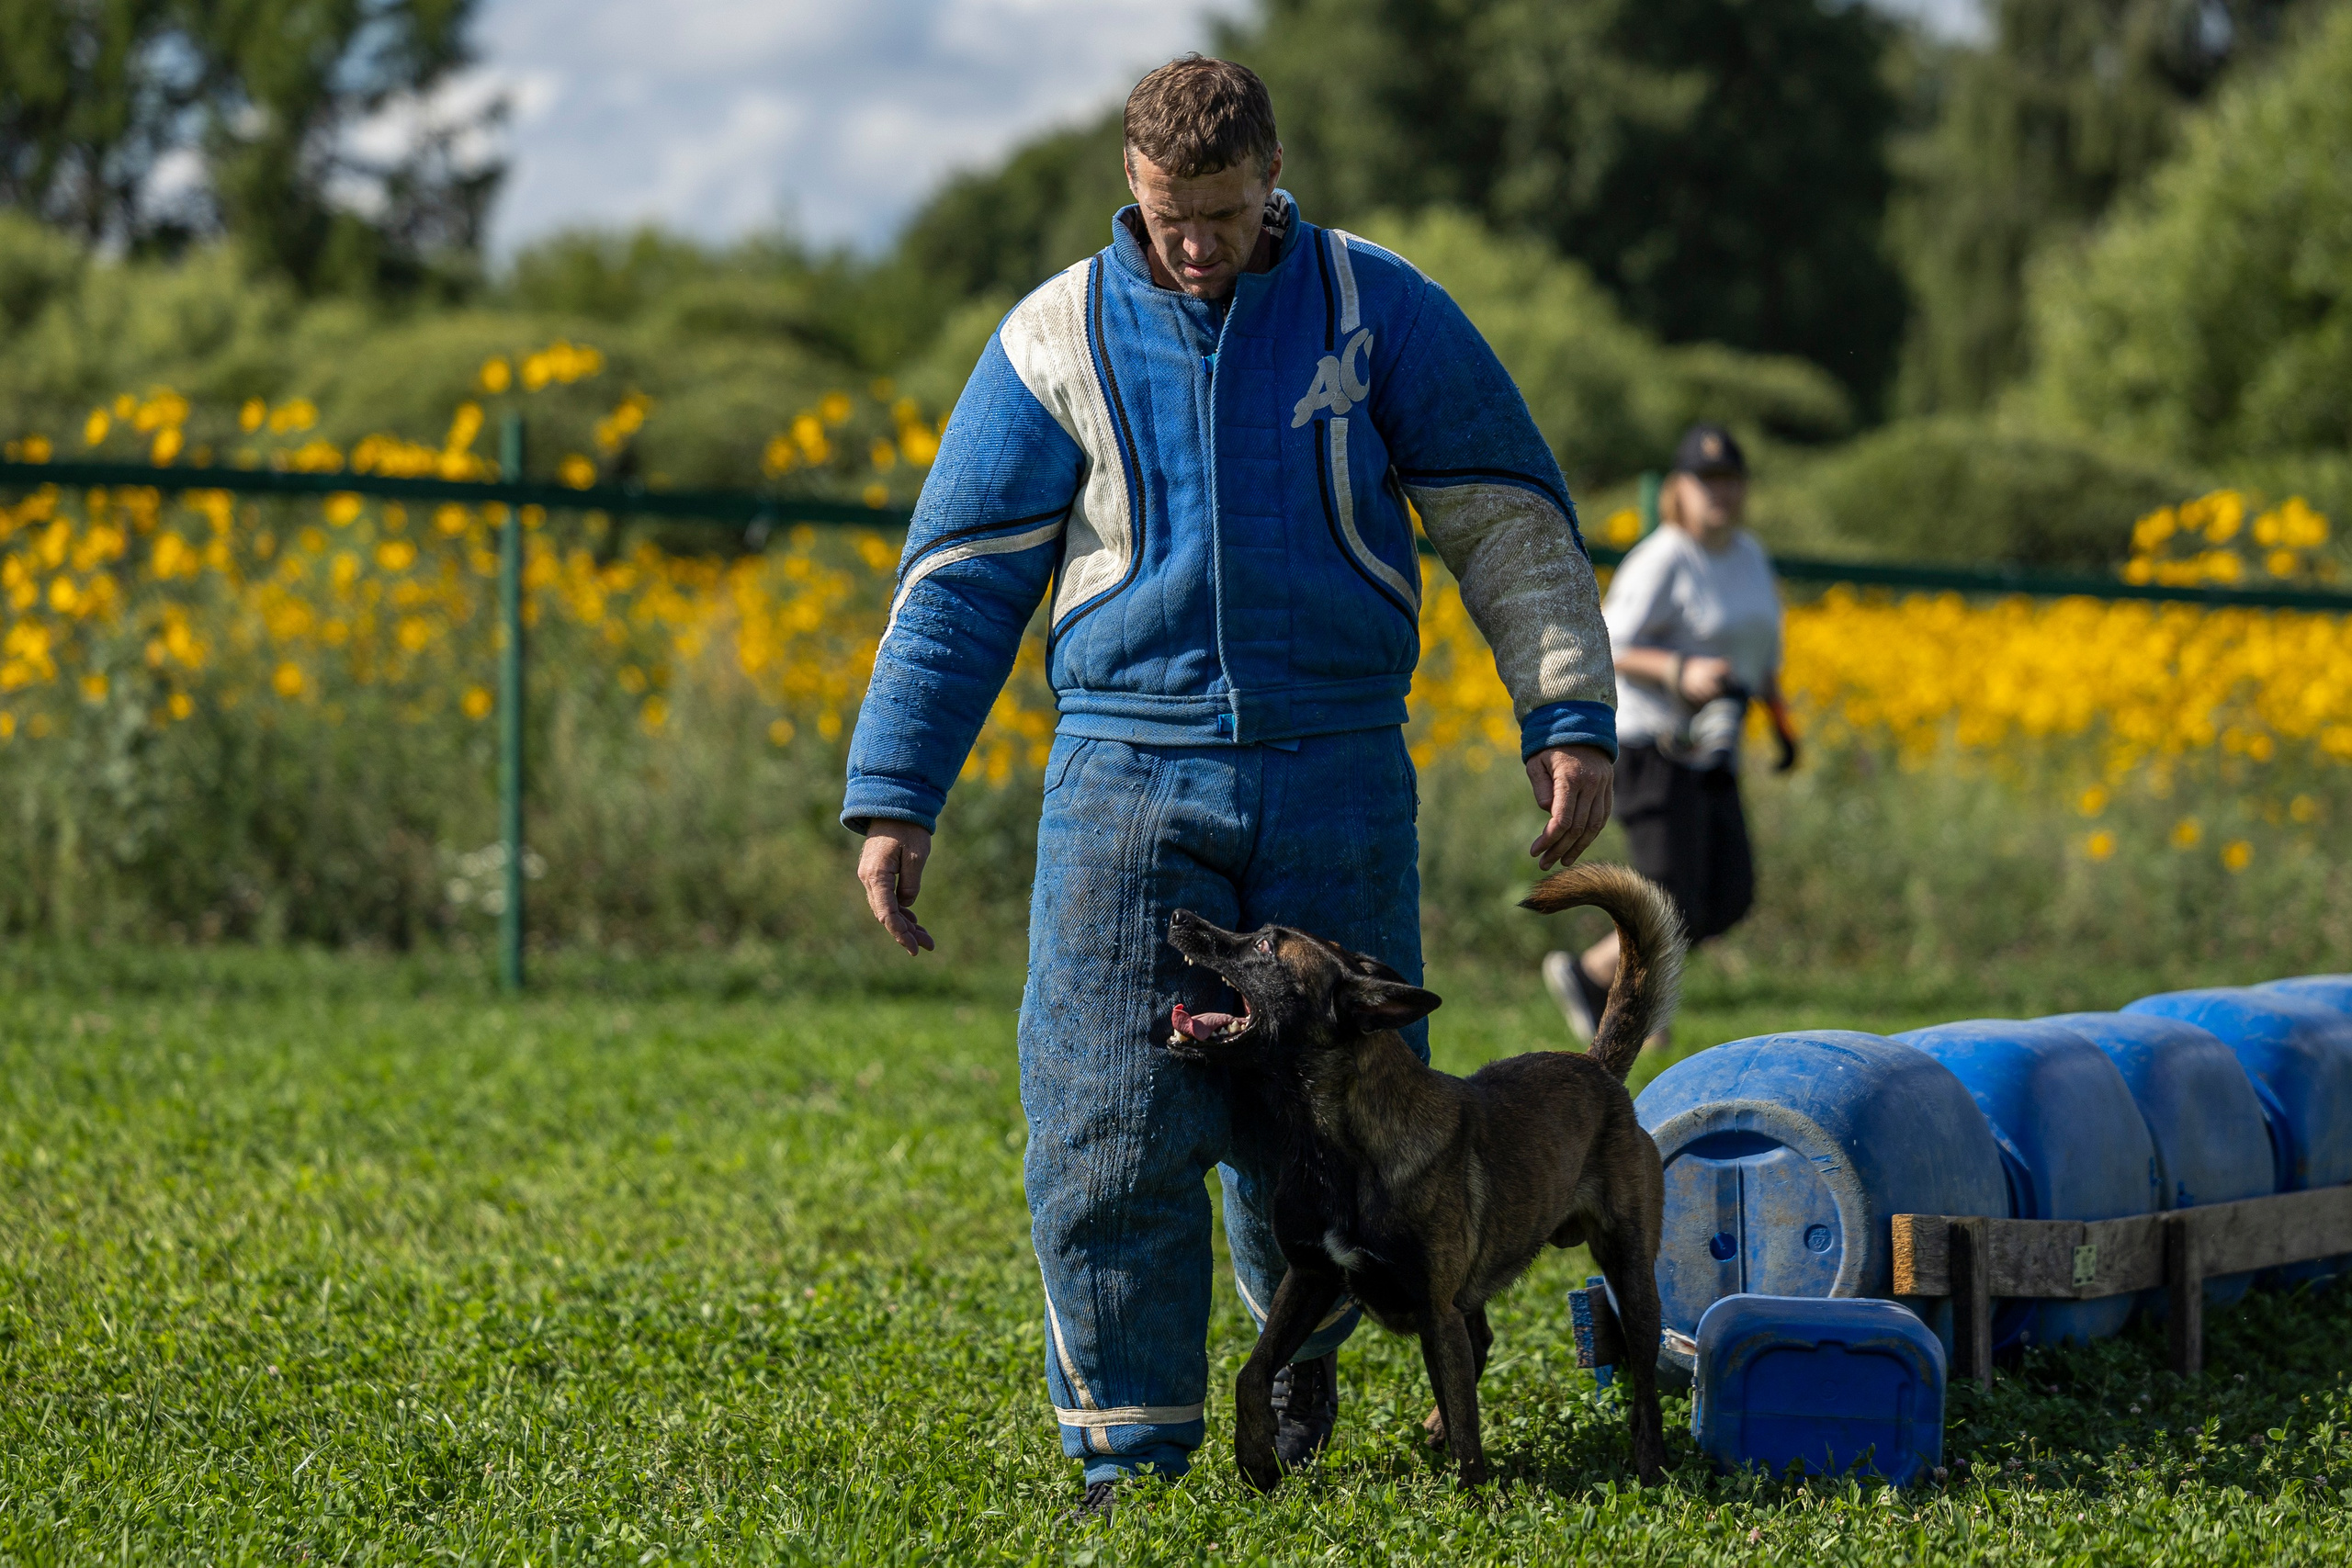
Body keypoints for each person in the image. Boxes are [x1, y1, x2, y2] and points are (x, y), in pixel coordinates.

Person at [840, 56, 1620, 1517]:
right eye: (1165, 213)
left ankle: (1298, 1393)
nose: (1193, 242)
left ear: (1272, 175)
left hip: (1339, 768)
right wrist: (897, 795)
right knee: (1106, 1123)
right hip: (1125, 776)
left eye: (1220, 210)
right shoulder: (1051, 335)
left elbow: (1507, 518)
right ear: (1129, 190)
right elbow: (954, 590)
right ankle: (1129, 1454)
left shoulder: (1381, 305)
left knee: (1339, 1128)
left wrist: (1566, 708)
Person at [1542, 423, 1796, 1048]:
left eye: (1730, 480)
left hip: (1714, 745)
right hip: (1650, 741)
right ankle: (1594, 976)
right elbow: (1611, 637)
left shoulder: (1750, 556)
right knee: (1671, 894)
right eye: (1706, 480)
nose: (1720, 493)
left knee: (1729, 893)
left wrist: (1783, 722)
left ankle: (1613, 982)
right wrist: (1680, 671)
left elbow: (1760, 654)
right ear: (1679, 488)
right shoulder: (1664, 556)